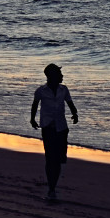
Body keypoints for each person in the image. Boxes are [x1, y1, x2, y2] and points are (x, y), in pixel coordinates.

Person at [30, 62, 79, 203]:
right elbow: (34, 105)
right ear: (52, 76)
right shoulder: (41, 91)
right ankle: (52, 188)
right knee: (50, 158)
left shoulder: (64, 89)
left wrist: (75, 114)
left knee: (59, 160)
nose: (62, 76)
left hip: (62, 128)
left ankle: (52, 186)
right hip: (48, 128)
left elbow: (70, 103)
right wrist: (32, 120)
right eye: (59, 74)